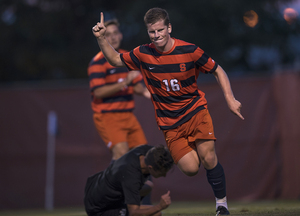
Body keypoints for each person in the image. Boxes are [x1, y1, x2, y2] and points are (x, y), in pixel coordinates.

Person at [92, 8, 244, 216]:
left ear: (169, 27)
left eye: (161, 30)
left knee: (208, 158)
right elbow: (116, 60)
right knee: (191, 169)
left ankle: (222, 206)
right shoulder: (143, 53)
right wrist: (101, 38)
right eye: (152, 32)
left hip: (196, 112)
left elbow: (217, 69)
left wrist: (230, 99)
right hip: (170, 124)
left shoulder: (189, 50)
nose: (157, 35)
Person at [88, 19, 150, 162]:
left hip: (128, 115)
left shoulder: (126, 57)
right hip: (108, 116)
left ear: (121, 35)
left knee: (143, 155)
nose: (113, 37)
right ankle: (115, 184)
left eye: (115, 33)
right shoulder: (97, 62)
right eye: (108, 34)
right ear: (102, 36)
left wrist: (148, 92)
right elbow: (98, 92)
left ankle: (145, 184)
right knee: (121, 154)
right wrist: (124, 83)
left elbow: (136, 85)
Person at [84, 145, 174, 216]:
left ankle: (128, 205)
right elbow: (134, 213)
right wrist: (160, 206)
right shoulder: (131, 177)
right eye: (162, 172)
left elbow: (160, 153)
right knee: (156, 213)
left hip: (94, 187)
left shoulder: (147, 152)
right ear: (150, 168)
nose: (164, 175)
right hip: (99, 209)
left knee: (148, 187)